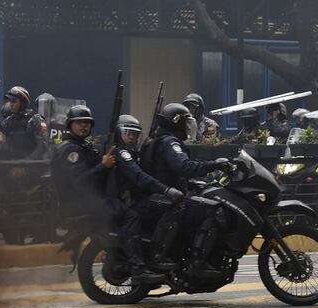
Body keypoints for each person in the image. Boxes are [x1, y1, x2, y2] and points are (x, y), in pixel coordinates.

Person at [51, 106, 164, 284]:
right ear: (70, 124)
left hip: (89, 199)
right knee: (131, 215)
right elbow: (78, 182)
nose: (84, 126)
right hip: (80, 202)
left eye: (87, 123)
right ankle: (138, 267)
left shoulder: (82, 146)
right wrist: (103, 166)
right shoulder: (70, 150)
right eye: (79, 122)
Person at [139, 103, 234, 278]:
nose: (188, 126)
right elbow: (183, 166)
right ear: (176, 122)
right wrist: (215, 165)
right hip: (166, 199)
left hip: (158, 195)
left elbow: (167, 171)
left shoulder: (156, 140)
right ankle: (198, 262)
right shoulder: (170, 142)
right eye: (185, 122)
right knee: (215, 210)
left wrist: (193, 184)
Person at [112, 114, 184, 272]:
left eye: (135, 134)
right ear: (119, 133)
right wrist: (166, 190)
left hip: (136, 198)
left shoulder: (132, 154)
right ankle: (157, 255)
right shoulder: (121, 154)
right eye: (128, 133)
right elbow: (140, 177)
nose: (132, 137)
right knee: (173, 209)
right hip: (127, 202)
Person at [1, 86, 48, 160]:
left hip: (32, 167)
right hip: (11, 166)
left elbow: (42, 146)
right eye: (10, 101)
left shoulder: (35, 120)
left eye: (14, 101)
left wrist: (25, 163)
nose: (11, 104)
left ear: (23, 102)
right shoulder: (7, 122)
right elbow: (2, 145)